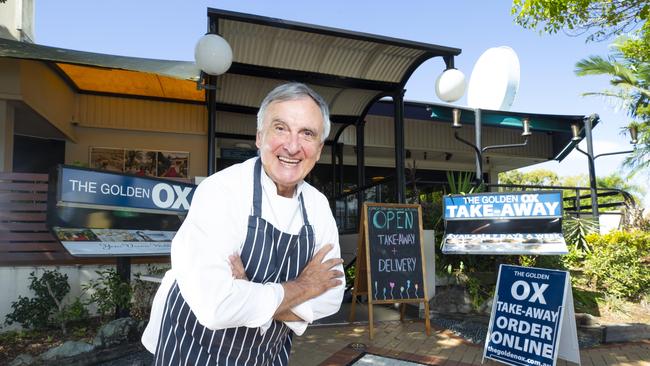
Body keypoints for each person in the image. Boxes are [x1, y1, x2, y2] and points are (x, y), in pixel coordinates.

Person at [141, 82, 345, 365]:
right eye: (280, 128)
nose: (292, 146)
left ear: (319, 149)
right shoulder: (222, 191)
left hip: (267, 355)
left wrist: (248, 292)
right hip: (195, 349)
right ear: (259, 136)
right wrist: (304, 286)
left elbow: (332, 297)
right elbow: (217, 306)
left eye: (307, 133)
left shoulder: (318, 207)